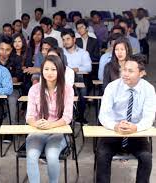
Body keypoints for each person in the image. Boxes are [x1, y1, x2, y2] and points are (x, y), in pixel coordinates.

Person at [97, 54, 156, 183]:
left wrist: (136, 127)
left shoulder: (149, 89)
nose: (125, 74)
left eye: (130, 71)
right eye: (124, 69)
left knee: (146, 157)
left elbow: (149, 116)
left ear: (141, 73)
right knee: (101, 155)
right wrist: (115, 126)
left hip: (136, 134)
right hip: (113, 133)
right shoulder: (112, 87)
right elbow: (103, 114)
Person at [26, 55, 74, 183]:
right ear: (41, 71)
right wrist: (37, 124)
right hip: (37, 131)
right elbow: (29, 116)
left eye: (53, 69)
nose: (50, 73)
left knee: (52, 156)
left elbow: (67, 117)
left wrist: (50, 125)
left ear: (60, 71)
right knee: (31, 156)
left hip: (57, 132)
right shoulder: (34, 90)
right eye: (46, 69)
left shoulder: (67, 89)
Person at [62, 29, 92, 123]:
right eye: (63, 39)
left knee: (82, 90)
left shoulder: (83, 53)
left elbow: (88, 67)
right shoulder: (61, 53)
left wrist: (74, 69)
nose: (65, 42)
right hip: (64, 79)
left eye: (68, 39)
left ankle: (80, 116)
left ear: (74, 40)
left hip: (79, 78)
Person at [0, 35, 22, 127]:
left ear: (11, 49)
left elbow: (18, 77)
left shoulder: (16, 59)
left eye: (7, 49)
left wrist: (1, 80)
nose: (4, 52)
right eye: (1, 49)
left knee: (11, 99)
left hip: (13, 89)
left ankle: (11, 128)